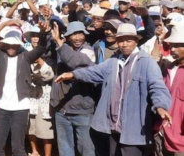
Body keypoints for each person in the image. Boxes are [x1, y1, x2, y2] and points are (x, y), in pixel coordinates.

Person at [56, 23, 172, 156]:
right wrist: (73, 74)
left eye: (128, 40)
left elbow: (157, 86)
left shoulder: (146, 62)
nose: (124, 44)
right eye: (121, 40)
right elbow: (93, 72)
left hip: (133, 127)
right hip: (113, 125)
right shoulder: (114, 61)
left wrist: (161, 106)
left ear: (136, 41)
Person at [0, 19, 47, 156]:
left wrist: (42, 32)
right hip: (1, 106)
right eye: (9, 44)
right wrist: (5, 24)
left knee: (18, 147)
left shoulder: (26, 57)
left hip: (20, 107)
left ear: (19, 45)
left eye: (15, 44)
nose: (12, 47)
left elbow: (41, 48)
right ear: (4, 45)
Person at [49, 21, 96, 156]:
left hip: (82, 110)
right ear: (68, 36)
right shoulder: (64, 48)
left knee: (86, 149)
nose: (77, 38)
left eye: (80, 34)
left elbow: (74, 61)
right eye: (74, 34)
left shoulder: (88, 51)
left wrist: (59, 42)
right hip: (62, 109)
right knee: (65, 150)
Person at [25, 26, 55, 156]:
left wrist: (41, 63)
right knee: (30, 125)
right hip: (29, 93)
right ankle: (34, 151)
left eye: (38, 36)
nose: (35, 38)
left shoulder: (49, 53)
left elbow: (50, 76)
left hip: (45, 93)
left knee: (45, 125)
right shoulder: (25, 53)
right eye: (33, 36)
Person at [161, 24, 184, 155]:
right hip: (165, 130)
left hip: (180, 136)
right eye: (171, 46)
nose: (173, 49)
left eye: (177, 46)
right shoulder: (169, 69)